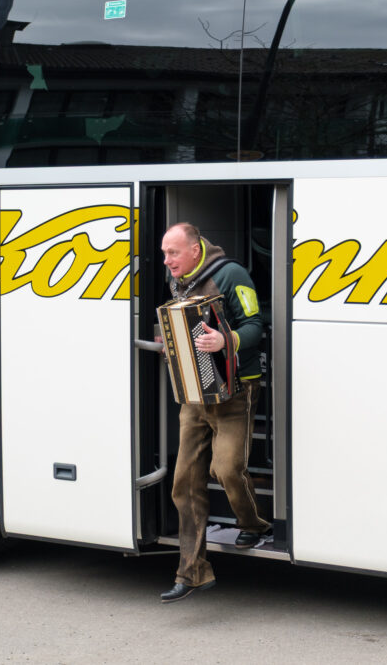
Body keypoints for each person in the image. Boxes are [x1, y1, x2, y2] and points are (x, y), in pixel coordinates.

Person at [158, 222, 270, 604]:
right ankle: (191, 573)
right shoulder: (178, 279)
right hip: (193, 394)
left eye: (172, 253)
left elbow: (256, 325)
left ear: (194, 249)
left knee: (225, 469)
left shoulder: (231, 274)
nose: (167, 260)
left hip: (236, 390)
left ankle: (253, 524)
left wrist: (227, 339)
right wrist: (167, 342)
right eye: (164, 253)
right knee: (184, 482)